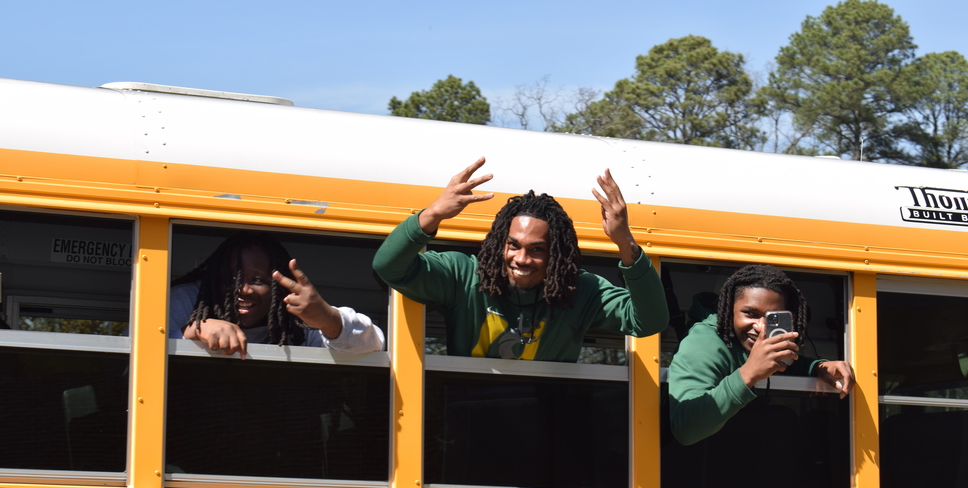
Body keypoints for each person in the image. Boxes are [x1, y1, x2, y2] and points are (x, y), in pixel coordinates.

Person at [372, 157, 669, 361]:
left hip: (548, 435)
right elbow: (389, 266)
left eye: (537, 250)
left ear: (556, 256)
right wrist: (433, 213)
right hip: (464, 430)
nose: (521, 259)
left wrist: (624, 241)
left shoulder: (581, 290)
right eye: (513, 245)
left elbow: (650, 321)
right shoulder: (462, 275)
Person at [667, 263, 855, 447]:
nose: (760, 327)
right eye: (750, 314)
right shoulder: (704, 341)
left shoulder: (750, 345)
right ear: (729, 310)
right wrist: (748, 373)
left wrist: (819, 367)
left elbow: (790, 365)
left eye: (773, 318)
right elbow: (686, 430)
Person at [170, 231, 383, 358]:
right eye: (231, 278)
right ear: (212, 279)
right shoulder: (188, 300)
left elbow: (374, 344)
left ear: (279, 288)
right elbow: (145, 347)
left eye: (258, 280)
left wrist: (327, 318)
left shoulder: (296, 320)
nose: (244, 290)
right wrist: (194, 330)